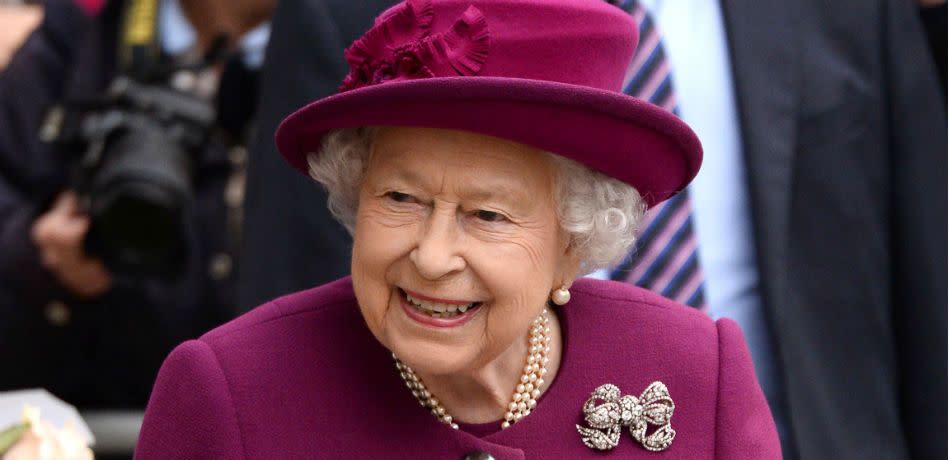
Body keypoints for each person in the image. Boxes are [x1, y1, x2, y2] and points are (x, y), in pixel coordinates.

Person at [134, 0, 781, 458]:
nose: (434, 255)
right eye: (401, 197)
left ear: (573, 246)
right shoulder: (230, 392)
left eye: (487, 215)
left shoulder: (696, 373)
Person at [0, 0, 273, 412]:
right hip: (87, 415)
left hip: (257, 417)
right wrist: (39, 257)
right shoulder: (80, 37)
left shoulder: (344, 58)